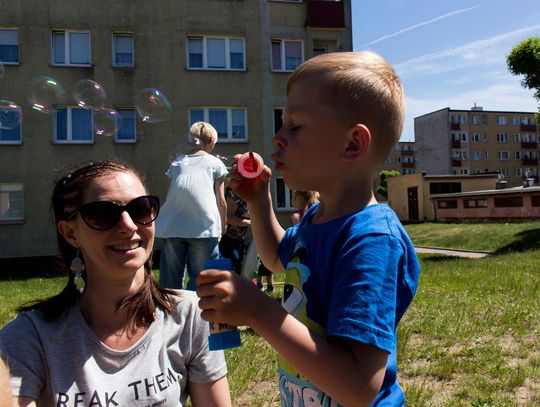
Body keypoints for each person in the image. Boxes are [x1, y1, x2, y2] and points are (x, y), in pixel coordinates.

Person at [196, 51, 420, 406]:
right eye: (282, 125)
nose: (277, 138)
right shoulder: (317, 217)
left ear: (352, 144)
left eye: (295, 126)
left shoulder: (371, 241)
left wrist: (257, 309)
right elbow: (275, 258)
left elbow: (359, 387)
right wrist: (259, 203)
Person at [0, 160, 231, 407]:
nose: (129, 226)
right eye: (103, 214)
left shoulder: (193, 315)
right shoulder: (27, 339)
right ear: (70, 233)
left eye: (141, 209)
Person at [156, 122, 228, 290]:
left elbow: (171, 195)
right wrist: (223, 224)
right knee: (203, 279)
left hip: (174, 226)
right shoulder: (215, 163)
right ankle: (200, 314)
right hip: (203, 226)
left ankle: (170, 311)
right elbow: (221, 200)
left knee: (170, 279)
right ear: (210, 141)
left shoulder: (178, 162)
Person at [218, 181, 251, 274]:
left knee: (237, 266)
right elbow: (228, 218)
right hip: (228, 239)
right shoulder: (235, 195)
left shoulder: (246, 196)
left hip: (239, 239)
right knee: (232, 267)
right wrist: (250, 223)